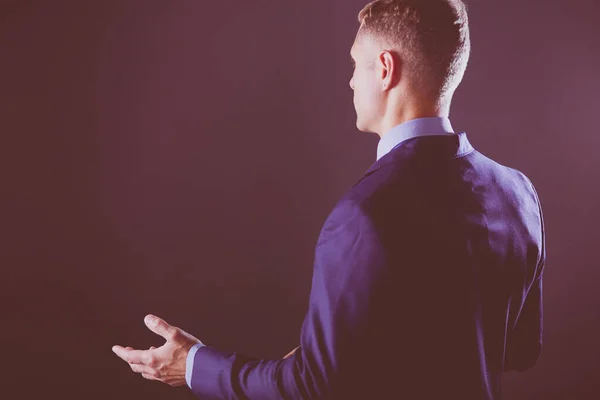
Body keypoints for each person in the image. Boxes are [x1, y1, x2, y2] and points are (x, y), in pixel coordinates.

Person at [112, 0, 546, 398]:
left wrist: (192, 366)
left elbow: (313, 386)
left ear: (385, 69)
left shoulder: (366, 214)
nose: (350, 79)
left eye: (355, 63)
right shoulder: (518, 194)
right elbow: (519, 349)